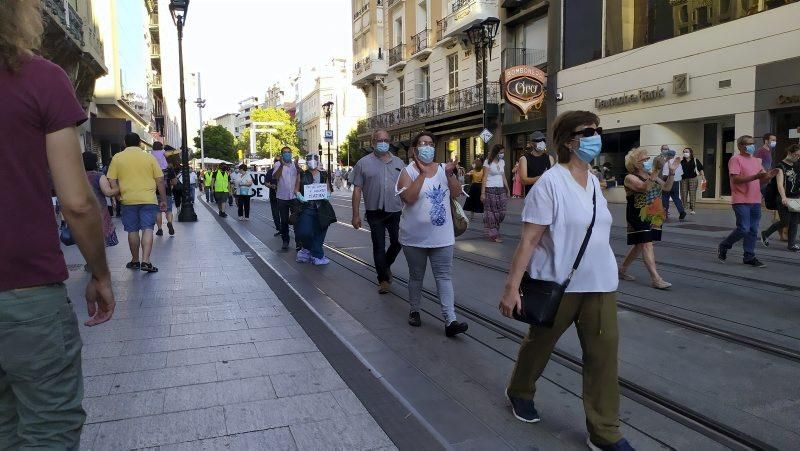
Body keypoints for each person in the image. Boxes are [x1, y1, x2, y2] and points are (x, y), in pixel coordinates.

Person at [1, 4, 116, 445]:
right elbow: (77, 202)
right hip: (25, 294)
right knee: (49, 431)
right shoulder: (40, 78)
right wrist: (100, 274)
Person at [498, 111, 633, 451]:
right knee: (538, 344)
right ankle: (520, 390)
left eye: (598, 130)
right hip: (557, 284)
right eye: (588, 131)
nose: (595, 136)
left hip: (601, 285)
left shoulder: (596, 184)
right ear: (568, 141)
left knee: (603, 358)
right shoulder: (550, 183)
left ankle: (605, 432)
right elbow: (528, 240)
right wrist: (512, 287)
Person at [396, 131, 469, 337]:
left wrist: (450, 175)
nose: (427, 147)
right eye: (422, 143)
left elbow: (455, 194)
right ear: (415, 149)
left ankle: (450, 320)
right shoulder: (407, 171)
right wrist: (421, 173)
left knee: (444, 277)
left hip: (442, 235)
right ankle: (415, 310)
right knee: (416, 276)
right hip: (414, 237)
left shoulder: (444, 169)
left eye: (430, 143)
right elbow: (409, 198)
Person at [352, 129, 405, 294]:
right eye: (380, 140)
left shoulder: (399, 163)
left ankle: (385, 264)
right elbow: (357, 190)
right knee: (378, 246)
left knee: (398, 242)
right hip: (374, 211)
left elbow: (406, 188)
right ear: (373, 142)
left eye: (386, 140)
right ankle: (383, 279)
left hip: (395, 210)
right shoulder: (363, 163)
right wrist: (355, 215)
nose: (383, 143)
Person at [107, 133, 168, 273]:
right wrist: (163, 200)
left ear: (124, 143)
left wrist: (117, 194)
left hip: (128, 200)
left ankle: (135, 260)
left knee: (132, 230)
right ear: (140, 143)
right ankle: (146, 261)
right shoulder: (149, 157)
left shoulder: (117, 157)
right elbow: (159, 180)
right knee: (148, 228)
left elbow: (111, 179)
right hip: (148, 199)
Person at [619, 149, 679, 289]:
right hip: (638, 213)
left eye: (648, 158)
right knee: (647, 243)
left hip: (654, 213)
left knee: (641, 244)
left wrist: (671, 172)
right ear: (635, 163)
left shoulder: (650, 174)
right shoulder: (630, 177)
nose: (648, 161)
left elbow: (666, 188)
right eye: (644, 159)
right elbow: (644, 187)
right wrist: (656, 170)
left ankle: (622, 270)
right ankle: (656, 278)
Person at [718, 135, 779, 267]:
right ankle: (725, 245)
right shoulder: (735, 159)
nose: (752, 146)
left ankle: (749, 256)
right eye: (748, 144)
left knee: (753, 230)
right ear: (740, 146)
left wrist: (769, 177)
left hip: (755, 199)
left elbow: (761, 179)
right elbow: (735, 179)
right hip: (740, 199)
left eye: (753, 143)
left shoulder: (756, 161)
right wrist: (755, 176)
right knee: (744, 228)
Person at [295, 152, 334, 265]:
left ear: (318, 161)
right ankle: (306, 249)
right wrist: (300, 197)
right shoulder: (301, 175)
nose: (312, 161)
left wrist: (327, 195)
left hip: (322, 208)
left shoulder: (323, 174)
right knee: (304, 231)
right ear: (306, 161)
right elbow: (296, 189)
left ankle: (317, 255)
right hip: (307, 207)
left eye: (315, 159)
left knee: (320, 231)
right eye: (310, 159)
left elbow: (328, 188)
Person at [761, 144, 800, 251]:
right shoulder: (780, 166)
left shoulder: (797, 165)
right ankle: (765, 233)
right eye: (796, 155)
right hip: (784, 197)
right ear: (789, 153)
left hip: (796, 197)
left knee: (794, 222)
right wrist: (783, 197)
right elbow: (780, 184)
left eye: (799, 156)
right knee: (785, 221)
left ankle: (791, 245)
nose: (797, 157)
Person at [83, 151, 119, 250]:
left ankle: (89, 262)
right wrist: (117, 189)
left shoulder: (75, 176)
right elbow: (108, 192)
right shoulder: (98, 176)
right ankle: (97, 263)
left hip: (81, 213)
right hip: (98, 212)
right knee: (100, 242)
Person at [274, 147, 302, 251]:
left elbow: (301, 175)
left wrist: (297, 165)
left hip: (294, 197)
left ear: (291, 153)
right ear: (281, 154)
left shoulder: (295, 164)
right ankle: (285, 241)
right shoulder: (277, 164)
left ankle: (299, 243)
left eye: (288, 152)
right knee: (284, 220)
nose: (287, 154)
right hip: (282, 197)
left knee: (296, 220)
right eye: (285, 152)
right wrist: (281, 165)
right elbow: (276, 177)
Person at [481, 144, 510, 242]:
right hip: (490, 188)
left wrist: (508, 189)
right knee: (492, 213)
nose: (502, 154)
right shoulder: (487, 162)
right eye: (501, 152)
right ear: (496, 152)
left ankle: (494, 231)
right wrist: (482, 193)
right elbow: (484, 177)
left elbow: (503, 176)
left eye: (503, 152)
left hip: (501, 189)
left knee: (501, 212)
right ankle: (494, 234)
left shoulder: (502, 162)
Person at [519, 130, 554, 196]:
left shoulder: (550, 158)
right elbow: (523, 180)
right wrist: (541, 177)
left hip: (547, 196)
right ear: (532, 144)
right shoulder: (524, 159)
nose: (542, 142)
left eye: (543, 140)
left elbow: (552, 178)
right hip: (532, 197)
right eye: (538, 140)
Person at [660, 145, 686, 221]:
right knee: (676, 198)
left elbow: (665, 175)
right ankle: (681, 211)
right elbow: (681, 173)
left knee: (665, 197)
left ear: (667, 155)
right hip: (676, 183)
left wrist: (663, 181)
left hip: (668, 182)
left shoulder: (667, 163)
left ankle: (664, 212)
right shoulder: (678, 163)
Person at [679, 148, 704, 215]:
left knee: (692, 194)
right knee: (683, 193)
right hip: (683, 179)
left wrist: (703, 177)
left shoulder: (695, 160)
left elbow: (700, 168)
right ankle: (684, 207)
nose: (685, 153)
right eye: (684, 152)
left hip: (693, 178)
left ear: (690, 153)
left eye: (686, 152)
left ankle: (693, 209)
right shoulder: (681, 162)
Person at [155, 159, 177, 236]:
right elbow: (175, 182)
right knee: (169, 210)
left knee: (158, 211)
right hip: (167, 192)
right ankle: (170, 222)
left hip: (156, 192)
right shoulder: (169, 169)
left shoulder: (154, 167)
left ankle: (160, 229)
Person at [265, 158, 282, 235]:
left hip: (284, 197)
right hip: (273, 196)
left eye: (279, 161)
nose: (277, 162)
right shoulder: (270, 172)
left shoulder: (285, 171)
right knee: (275, 213)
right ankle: (279, 228)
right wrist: (271, 186)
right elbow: (266, 183)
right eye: (276, 161)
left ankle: (284, 229)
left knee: (284, 213)